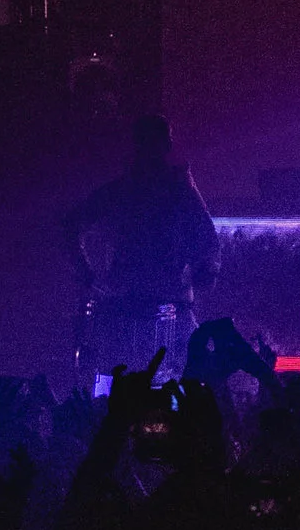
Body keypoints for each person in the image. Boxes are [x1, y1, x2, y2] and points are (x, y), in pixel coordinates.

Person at [63, 112, 220, 381]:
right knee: (170, 383)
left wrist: (87, 273)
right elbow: (207, 242)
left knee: (119, 384)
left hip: (147, 308)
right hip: (145, 307)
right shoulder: (164, 192)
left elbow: (207, 242)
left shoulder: (149, 191)